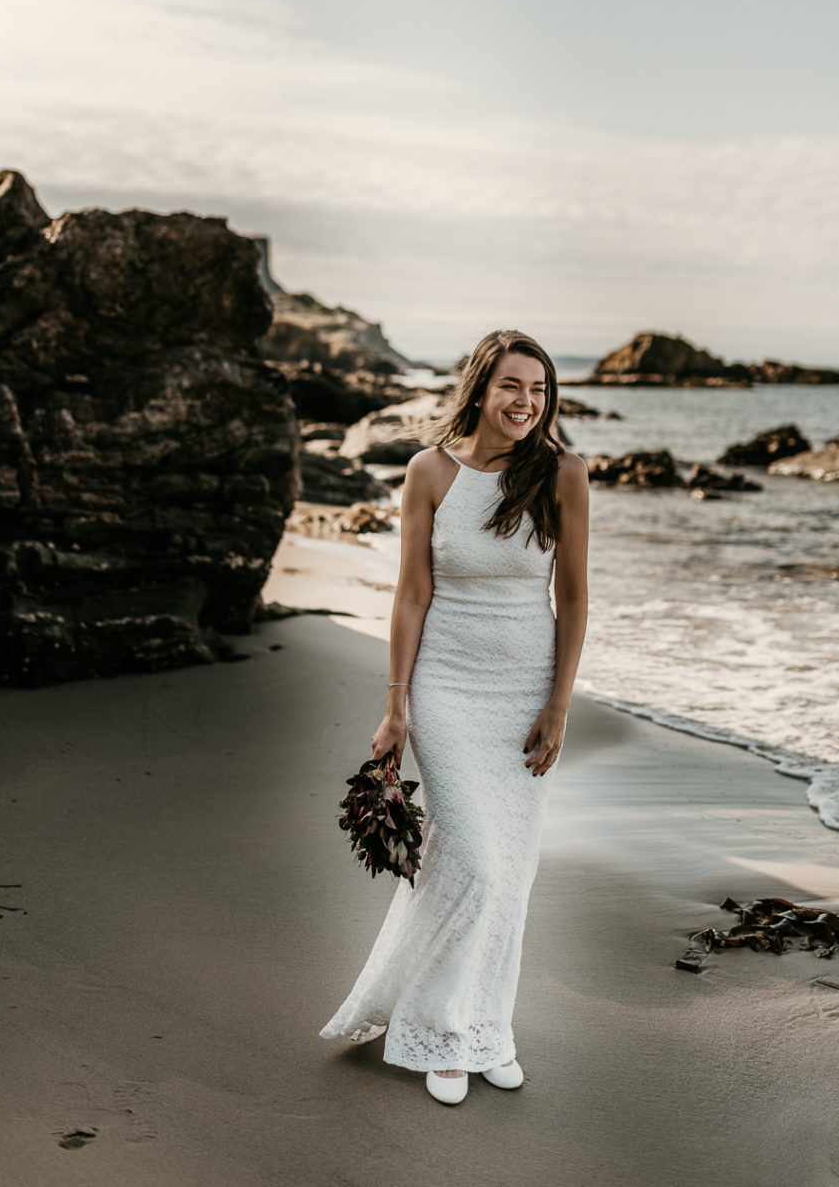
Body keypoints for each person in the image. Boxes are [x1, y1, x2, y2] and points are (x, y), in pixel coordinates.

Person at [319, 329, 589, 1105]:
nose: (526, 403)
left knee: (511, 874)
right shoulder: (430, 471)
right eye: (512, 386)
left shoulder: (563, 474)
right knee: (473, 860)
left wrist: (559, 704)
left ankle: (486, 1030)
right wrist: (395, 704)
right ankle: (438, 1032)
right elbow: (411, 593)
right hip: (443, 686)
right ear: (480, 387)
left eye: (538, 390)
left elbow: (572, 599)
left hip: (526, 691)